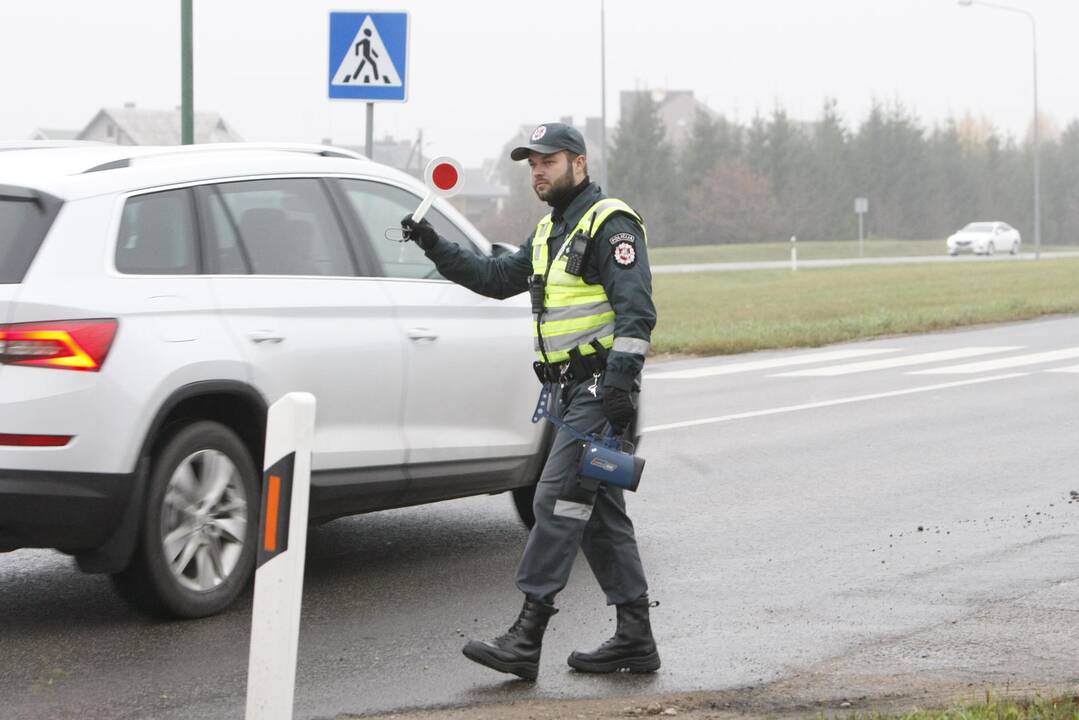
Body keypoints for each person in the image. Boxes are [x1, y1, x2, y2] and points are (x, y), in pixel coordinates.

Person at [400, 122, 659, 681]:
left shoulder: (609, 222)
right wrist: (433, 244)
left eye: (549, 161)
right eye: (531, 164)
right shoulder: (549, 233)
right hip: (567, 393)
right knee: (598, 516)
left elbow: (637, 312)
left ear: (579, 165)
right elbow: (495, 277)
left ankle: (527, 634)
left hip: (599, 392)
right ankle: (636, 638)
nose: (538, 171)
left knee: (557, 500)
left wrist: (619, 385)